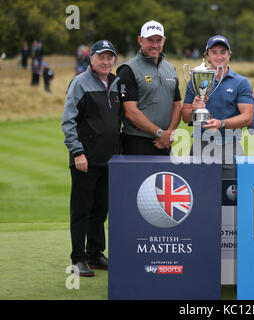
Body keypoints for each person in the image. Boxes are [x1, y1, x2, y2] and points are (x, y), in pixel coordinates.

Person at [62, 40, 121, 276]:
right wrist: (77, 152)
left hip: (109, 160)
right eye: (101, 57)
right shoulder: (79, 83)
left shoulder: (117, 84)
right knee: (81, 211)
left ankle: (96, 253)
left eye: (109, 57)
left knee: (100, 210)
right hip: (84, 160)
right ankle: (78, 259)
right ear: (92, 60)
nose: (106, 62)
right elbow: (69, 121)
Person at [181, 35, 254, 178]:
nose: (219, 56)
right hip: (200, 144)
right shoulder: (196, 79)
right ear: (207, 56)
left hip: (230, 144)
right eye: (214, 52)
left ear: (229, 55)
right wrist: (195, 109)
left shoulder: (241, 82)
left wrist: (221, 124)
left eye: (223, 52)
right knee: (198, 193)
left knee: (230, 194)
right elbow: (185, 117)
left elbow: (248, 117)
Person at [117, 20, 182, 155]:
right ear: (140, 40)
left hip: (164, 142)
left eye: (159, 40)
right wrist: (159, 133)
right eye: (150, 40)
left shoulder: (170, 68)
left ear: (164, 41)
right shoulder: (128, 69)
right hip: (137, 142)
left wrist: (169, 132)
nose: (155, 45)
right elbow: (130, 112)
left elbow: (176, 105)